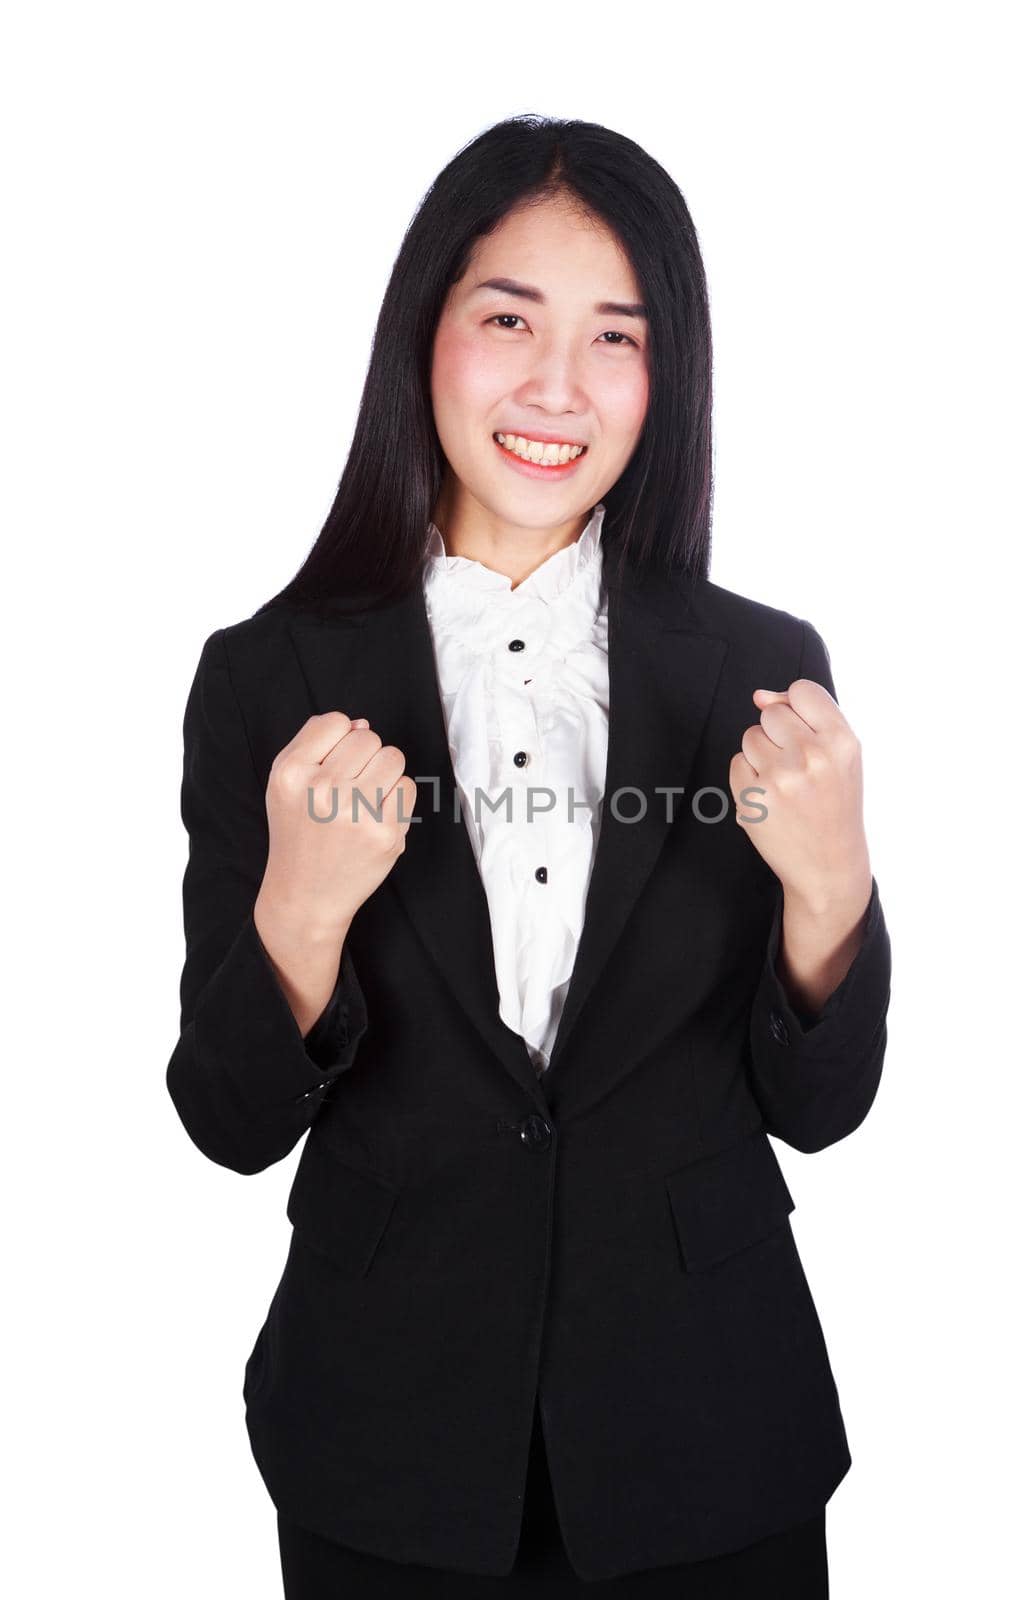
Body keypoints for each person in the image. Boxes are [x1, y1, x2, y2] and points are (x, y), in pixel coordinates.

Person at [166, 114, 891, 1597]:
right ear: (423, 330)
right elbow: (231, 1118)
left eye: (615, 337)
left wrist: (834, 887)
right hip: (385, 1440)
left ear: (663, 373)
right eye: (510, 319)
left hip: (710, 1429)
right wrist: (300, 912)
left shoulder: (761, 666)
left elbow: (820, 1108)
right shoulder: (268, 675)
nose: (557, 385)